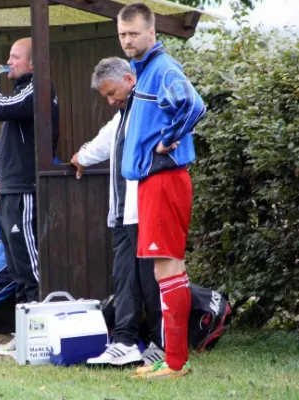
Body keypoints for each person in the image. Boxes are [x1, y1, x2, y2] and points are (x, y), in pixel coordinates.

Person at [116, 3, 206, 379]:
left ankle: (174, 363)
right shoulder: (145, 71)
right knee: (169, 270)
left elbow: (194, 105)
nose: (127, 41)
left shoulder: (163, 68)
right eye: (122, 34)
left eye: (134, 34)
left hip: (165, 179)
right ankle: (173, 358)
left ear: (152, 33)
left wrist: (167, 140)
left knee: (167, 270)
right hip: (154, 182)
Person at [70, 57, 163, 367]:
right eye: (106, 97)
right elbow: (104, 141)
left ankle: (160, 343)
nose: (110, 102)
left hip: (147, 210)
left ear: (129, 79)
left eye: (112, 94)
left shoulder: (148, 108)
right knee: (123, 277)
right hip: (122, 214)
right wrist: (81, 157)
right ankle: (124, 341)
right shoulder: (123, 115)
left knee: (150, 279)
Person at [0, 37, 60, 353]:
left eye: (15, 56)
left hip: (26, 191)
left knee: (30, 267)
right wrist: (3, 181)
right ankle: (25, 334)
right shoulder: (24, 91)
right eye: (9, 56)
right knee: (16, 267)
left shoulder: (38, 88)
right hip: (13, 188)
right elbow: (18, 141)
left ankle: (42, 334)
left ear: (34, 63)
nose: (8, 61)